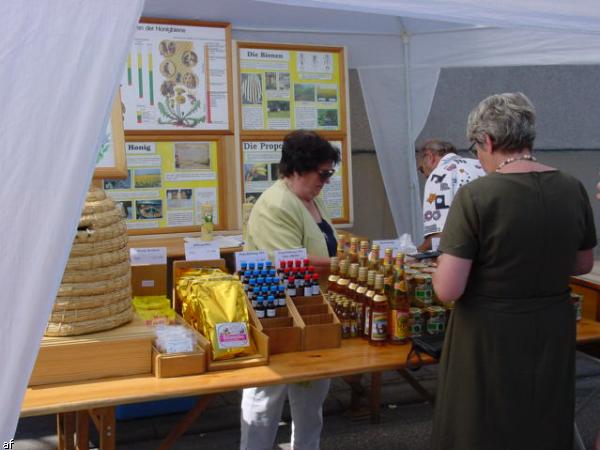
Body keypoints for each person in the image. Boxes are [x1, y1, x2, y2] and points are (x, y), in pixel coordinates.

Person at [431, 92, 596, 449]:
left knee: (483, 425)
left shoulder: (477, 195)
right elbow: (583, 263)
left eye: (477, 147)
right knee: (543, 420)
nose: (478, 156)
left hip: (491, 334)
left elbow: (448, 288)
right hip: (551, 324)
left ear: (487, 140)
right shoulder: (572, 187)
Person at [240, 129, 340, 450]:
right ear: (297, 170)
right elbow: (289, 264)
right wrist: (343, 264)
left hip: (312, 309)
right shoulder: (276, 205)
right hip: (274, 313)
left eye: (330, 173)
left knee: (310, 403)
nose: (326, 180)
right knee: (265, 400)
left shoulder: (311, 196)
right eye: (322, 173)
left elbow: (325, 244)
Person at [416, 139, 485, 252]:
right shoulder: (479, 165)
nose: (425, 176)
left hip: (464, 258)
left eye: (421, 169)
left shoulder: (438, 175)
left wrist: (416, 253)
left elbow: (439, 235)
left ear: (430, 156)